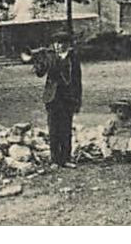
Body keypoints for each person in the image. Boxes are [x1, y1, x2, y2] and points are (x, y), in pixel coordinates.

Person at [37, 35, 83, 167]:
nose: (57, 45)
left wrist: (78, 100)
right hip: (52, 98)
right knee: (53, 129)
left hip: (68, 98)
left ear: (67, 44)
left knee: (66, 128)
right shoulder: (50, 56)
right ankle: (55, 160)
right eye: (55, 43)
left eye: (60, 43)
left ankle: (66, 159)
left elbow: (77, 80)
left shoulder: (73, 58)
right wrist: (39, 61)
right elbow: (40, 73)